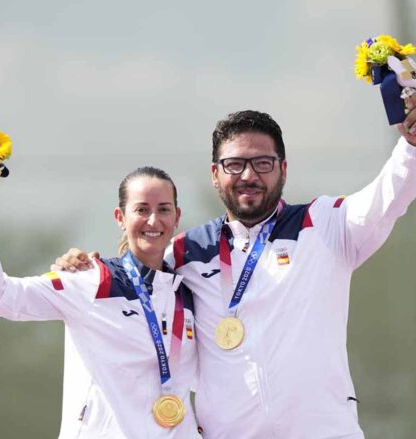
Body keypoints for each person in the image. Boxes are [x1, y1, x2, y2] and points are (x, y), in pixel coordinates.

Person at [55, 99, 416, 439]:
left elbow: (390, 195)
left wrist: (410, 146)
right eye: (234, 164)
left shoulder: (325, 225)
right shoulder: (187, 251)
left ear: (283, 170)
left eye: (263, 163)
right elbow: (137, 275)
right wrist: (83, 266)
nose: (248, 175)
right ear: (215, 174)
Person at [0, 167, 200, 439]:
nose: (153, 221)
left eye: (163, 209)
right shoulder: (91, 280)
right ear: (120, 217)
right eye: (142, 209)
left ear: (176, 217)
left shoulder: (188, 293)